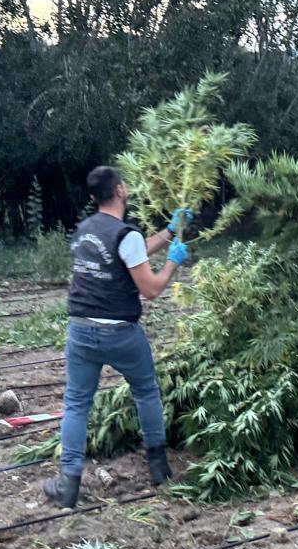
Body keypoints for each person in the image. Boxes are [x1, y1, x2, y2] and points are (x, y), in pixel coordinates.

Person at [44, 166, 189, 508]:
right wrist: (172, 263)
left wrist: (169, 231)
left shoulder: (84, 230)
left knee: (77, 403)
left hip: (80, 331)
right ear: (121, 190)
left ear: (94, 198)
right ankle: (158, 468)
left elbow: (130, 252)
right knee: (146, 392)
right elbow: (151, 289)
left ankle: (68, 485)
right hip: (120, 333)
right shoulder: (127, 234)